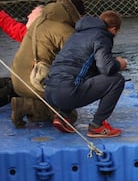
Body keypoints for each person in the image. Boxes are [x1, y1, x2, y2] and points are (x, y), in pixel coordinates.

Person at [45, 10, 127, 138]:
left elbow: (86, 66)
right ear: (114, 29)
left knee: (79, 75)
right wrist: (118, 64)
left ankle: (63, 116)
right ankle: (97, 126)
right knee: (117, 80)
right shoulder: (102, 36)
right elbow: (106, 68)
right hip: (67, 93)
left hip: (49, 91)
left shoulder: (78, 34)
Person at [10, 0, 85, 127]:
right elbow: (81, 56)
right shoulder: (62, 29)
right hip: (34, 81)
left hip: (17, 79)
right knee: (69, 115)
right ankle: (28, 106)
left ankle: (29, 103)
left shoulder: (40, 20)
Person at [0, 5, 44, 107]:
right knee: (7, 82)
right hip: (25, 82)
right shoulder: (30, 36)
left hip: (33, 86)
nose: (28, 16)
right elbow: (11, 27)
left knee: (11, 88)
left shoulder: (41, 41)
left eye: (32, 14)